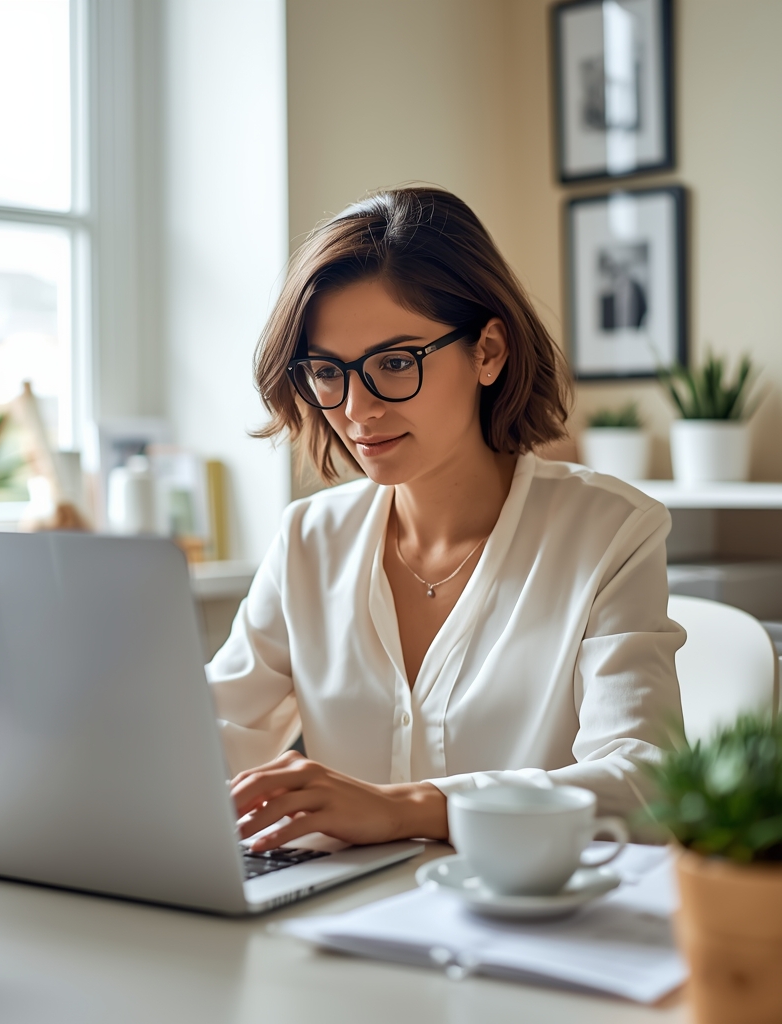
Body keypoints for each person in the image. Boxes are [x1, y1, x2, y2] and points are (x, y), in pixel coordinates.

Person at [209, 186, 683, 853]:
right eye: (327, 372)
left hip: (526, 928)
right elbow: (209, 735)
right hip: (340, 921)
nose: (356, 411)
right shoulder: (309, 540)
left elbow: (647, 784)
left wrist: (406, 809)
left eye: (395, 364)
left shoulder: (609, 532)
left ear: (488, 351)